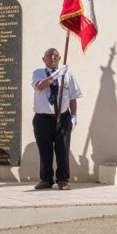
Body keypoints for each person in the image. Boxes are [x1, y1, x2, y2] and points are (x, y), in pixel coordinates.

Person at [31, 47, 83, 190]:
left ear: (60, 59)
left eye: (56, 55)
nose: (53, 57)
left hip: (63, 118)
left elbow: (73, 97)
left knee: (63, 149)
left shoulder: (68, 76)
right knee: (45, 151)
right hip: (42, 119)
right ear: (44, 59)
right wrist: (55, 76)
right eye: (50, 55)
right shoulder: (38, 73)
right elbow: (40, 86)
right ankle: (46, 179)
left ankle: (63, 179)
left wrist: (74, 115)